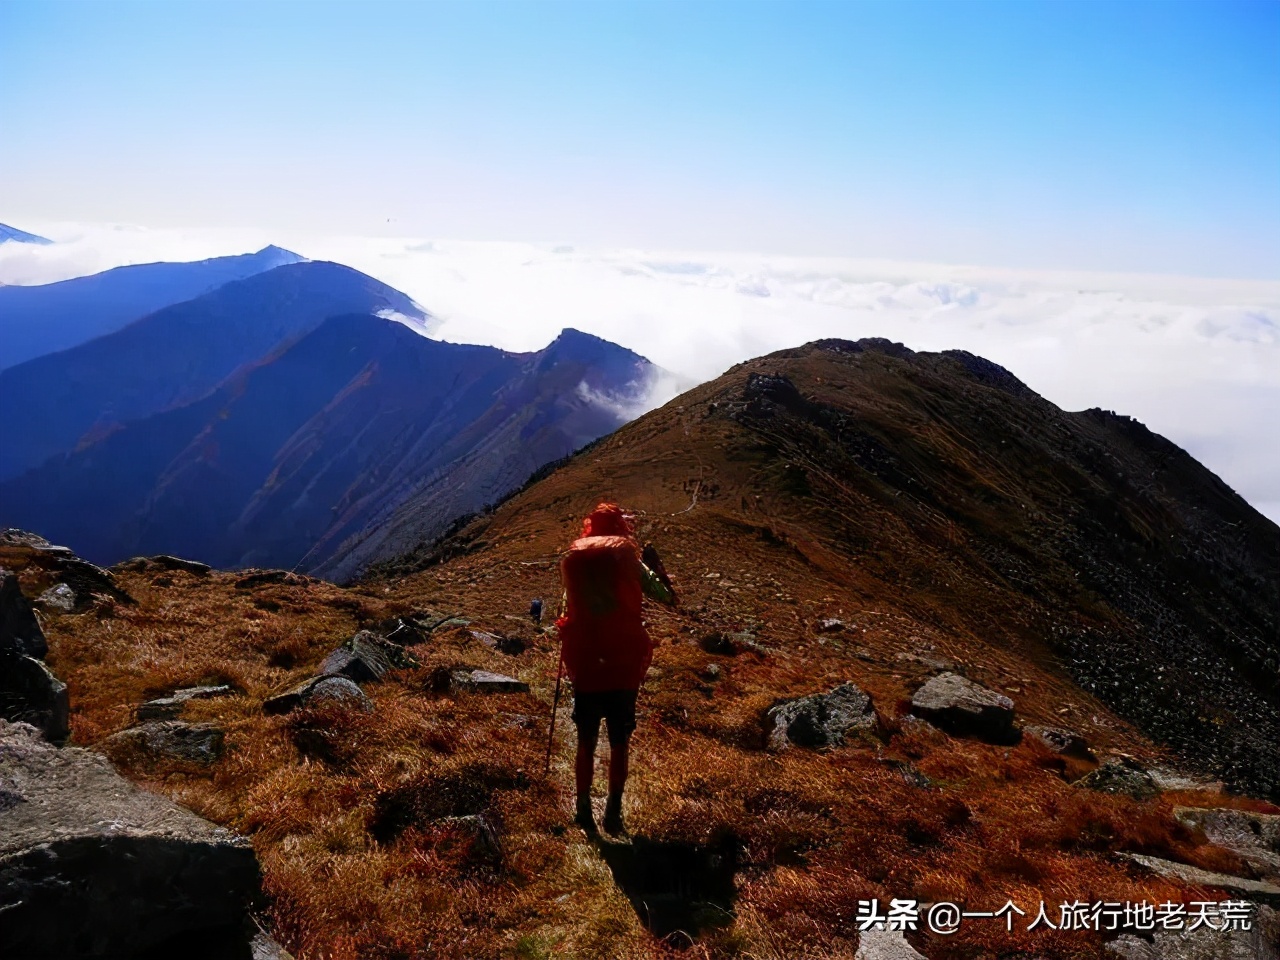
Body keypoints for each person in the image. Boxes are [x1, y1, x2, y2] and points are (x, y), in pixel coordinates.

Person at [556, 502, 676, 835]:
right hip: (624, 658)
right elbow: (666, 597)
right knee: (619, 740)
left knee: (586, 739)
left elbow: (567, 611)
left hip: (585, 659)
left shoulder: (575, 559)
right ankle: (613, 813)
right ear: (620, 526)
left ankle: (583, 810)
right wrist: (657, 567)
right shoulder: (629, 559)